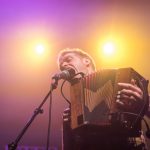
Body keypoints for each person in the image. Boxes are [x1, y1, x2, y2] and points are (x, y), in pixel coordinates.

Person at [57, 48, 149, 150]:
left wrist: (142, 104)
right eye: (61, 67)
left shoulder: (122, 78)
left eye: (68, 59)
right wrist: (68, 127)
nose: (64, 65)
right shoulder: (71, 111)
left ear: (86, 61)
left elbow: (145, 111)